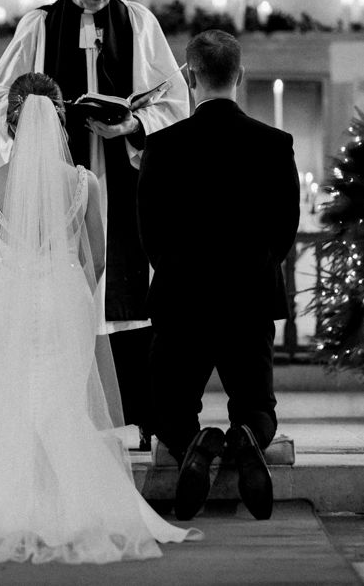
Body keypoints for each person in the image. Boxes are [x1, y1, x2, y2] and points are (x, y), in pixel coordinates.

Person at [0, 72, 201, 563]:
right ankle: (77, 506)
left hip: (11, 301)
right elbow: (100, 256)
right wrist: (68, 287)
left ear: (10, 124)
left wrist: (11, 289)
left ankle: (13, 503)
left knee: (13, 405)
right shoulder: (83, 182)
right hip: (67, 298)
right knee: (65, 403)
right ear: (60, 123)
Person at [0, 0, 189, 449]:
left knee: (125, 289)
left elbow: (174, 101)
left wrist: (130, 126)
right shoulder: (40, 26)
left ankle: (139, 417)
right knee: (71, 290)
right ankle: (61, 425)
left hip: (122, 177)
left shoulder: (138, 23)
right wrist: (31, 136)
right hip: (58, 182)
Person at [137, 30, 300, 521]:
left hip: (182, 297)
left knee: (167, 409)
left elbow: (151, 235)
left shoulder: (162, 147)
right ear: (241, 75)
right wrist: (256, 265)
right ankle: (245, 437)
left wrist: (177, 269)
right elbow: (285, 229)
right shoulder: (275, 144)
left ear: (189, 77)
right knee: (257, 405)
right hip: (249, 297)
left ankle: (199, 442)